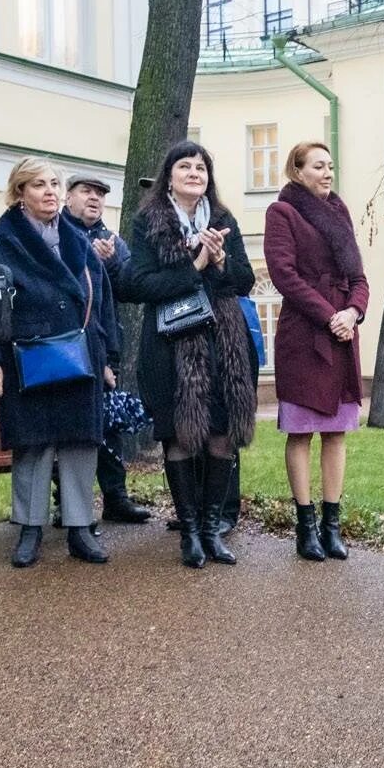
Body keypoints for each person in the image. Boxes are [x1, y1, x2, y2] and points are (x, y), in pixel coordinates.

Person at [0, 161, 117, 568]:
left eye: (54, 183)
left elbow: (100, 302)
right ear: (19, 193)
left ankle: (80, 528)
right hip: (25, 354)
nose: (50, 192)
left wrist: (108, 357)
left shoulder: (78, 240)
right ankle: (30, 528)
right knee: (33, 444)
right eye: (39, 185)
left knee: (80, 442)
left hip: (80, 352)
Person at [116, 141, 256, 569]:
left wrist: (218, 264)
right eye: (185, 166)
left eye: (201, 167)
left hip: (224, 344)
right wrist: (193, 266)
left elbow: (245, 280)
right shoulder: (149, 222)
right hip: (171, 346)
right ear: (169, 176)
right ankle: (190, 533)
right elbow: (136, 285)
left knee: (220, 433)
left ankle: (213, 530)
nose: (195, 172)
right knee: (179, 435)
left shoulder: (223, 218)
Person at [263, 142, 369, 561]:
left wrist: (353, 312)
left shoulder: (340, 213)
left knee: (336, 431)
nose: (328, 172)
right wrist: (330, 315)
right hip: (304, 334)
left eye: (331, 165)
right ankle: (305, 526)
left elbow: (358, 276)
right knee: (301, 430)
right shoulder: (282, 213)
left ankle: (332, 525)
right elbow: (283, 275)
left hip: (342, 332)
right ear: (298, 170)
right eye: (319, 166)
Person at [63, 172, 151, 526]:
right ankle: (66, 503)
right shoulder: (58, 233)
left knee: (109, 420)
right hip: (65, 345)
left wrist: (113, 263)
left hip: (105, 345)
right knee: (69, 423)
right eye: (86, 191)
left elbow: (132, 287)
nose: (94, 198)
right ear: (68, 196)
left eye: (100, 193)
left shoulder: (111, 240)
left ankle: (116, 497)